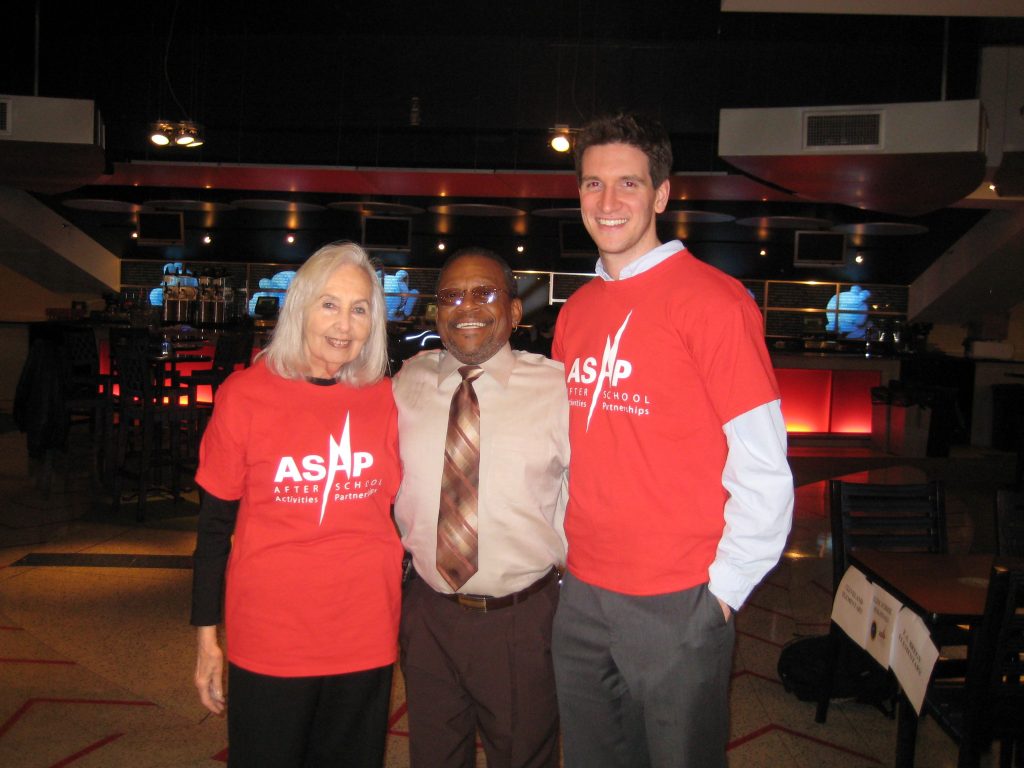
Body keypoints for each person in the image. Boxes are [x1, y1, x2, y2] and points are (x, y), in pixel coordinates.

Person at [550, 113, 794, 767]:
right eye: (592, 185)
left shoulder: (714, 303)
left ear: (661, 194)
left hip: (678, 600)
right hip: (580, 594)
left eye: (628, 184)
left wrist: (720, 597)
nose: (608, 202)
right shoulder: (576, 312)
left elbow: (765, 466)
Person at [190, 241, 403, 768]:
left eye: (360, 309)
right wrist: (205, 637)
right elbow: (214, 529)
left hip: (365, 632)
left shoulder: (388, 399)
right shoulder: (243, 396)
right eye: (329, 304)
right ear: (300, 306)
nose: (344, 325)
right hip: (271, 635)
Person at [392, 247, 569, 768]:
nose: (465, 306)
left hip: (520, 618)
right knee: (433, 756)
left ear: (515, 312)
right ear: (436, 311)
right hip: (428, 613)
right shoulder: (407, 384)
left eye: (484, 293)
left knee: (522, 756)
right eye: (451, 296)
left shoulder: (560, 391)